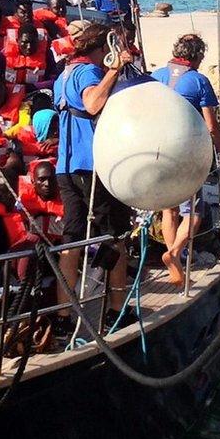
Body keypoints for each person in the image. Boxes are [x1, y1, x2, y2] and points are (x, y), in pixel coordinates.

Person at [52, 20, 139, 310]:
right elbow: (91, 104)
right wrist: (114, 70)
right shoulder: (89, 71)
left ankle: (63, 314)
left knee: (72, 239)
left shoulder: (63, 74)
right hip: (91, 166)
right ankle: (116, 308)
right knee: (116, 236)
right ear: (105, 47)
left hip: (66, 167)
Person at [151, 33, 220, 285]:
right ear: (197, 56)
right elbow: (212, 127)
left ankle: (173, 266)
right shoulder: (199, 81)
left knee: (170, 208)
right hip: (187, 153)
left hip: (159, 152)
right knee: (195, 210)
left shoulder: (156, 77)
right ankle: (175, 253)